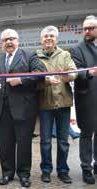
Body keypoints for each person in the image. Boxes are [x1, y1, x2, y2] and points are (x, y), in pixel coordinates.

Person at [0, 29, 46, 187]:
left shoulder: (29, 56)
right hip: (2, 109)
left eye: (12, 39)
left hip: (24, 109)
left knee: (23, 143)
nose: (8, 42)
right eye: (5, 39)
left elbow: (41, 73)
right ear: (2, 43)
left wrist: (20, 79)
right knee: (5, 144)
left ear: (18, 41)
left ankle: (24, 174)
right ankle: (7, 173)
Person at [37, 25, 77, 184]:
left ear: (56, 39)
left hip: (63, 103)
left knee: (63, 141)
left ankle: (63, 170)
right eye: (45, 36)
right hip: (44, 104)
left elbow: (74, 72)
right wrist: (45, 81)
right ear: (41, 40)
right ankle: (46, 170)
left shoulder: (65, 54)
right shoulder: (36, 56)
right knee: (45, 141)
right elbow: (33, 81)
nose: (48, 38)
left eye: (51, 36)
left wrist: (69, 76)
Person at [70, 15, 97, 184]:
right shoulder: (77, 49)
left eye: (91, 28)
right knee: (86, 135)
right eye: (85, 28)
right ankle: (86, 168)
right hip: (87, 98)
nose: (87, 31)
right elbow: (74, 72)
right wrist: (87, 73)